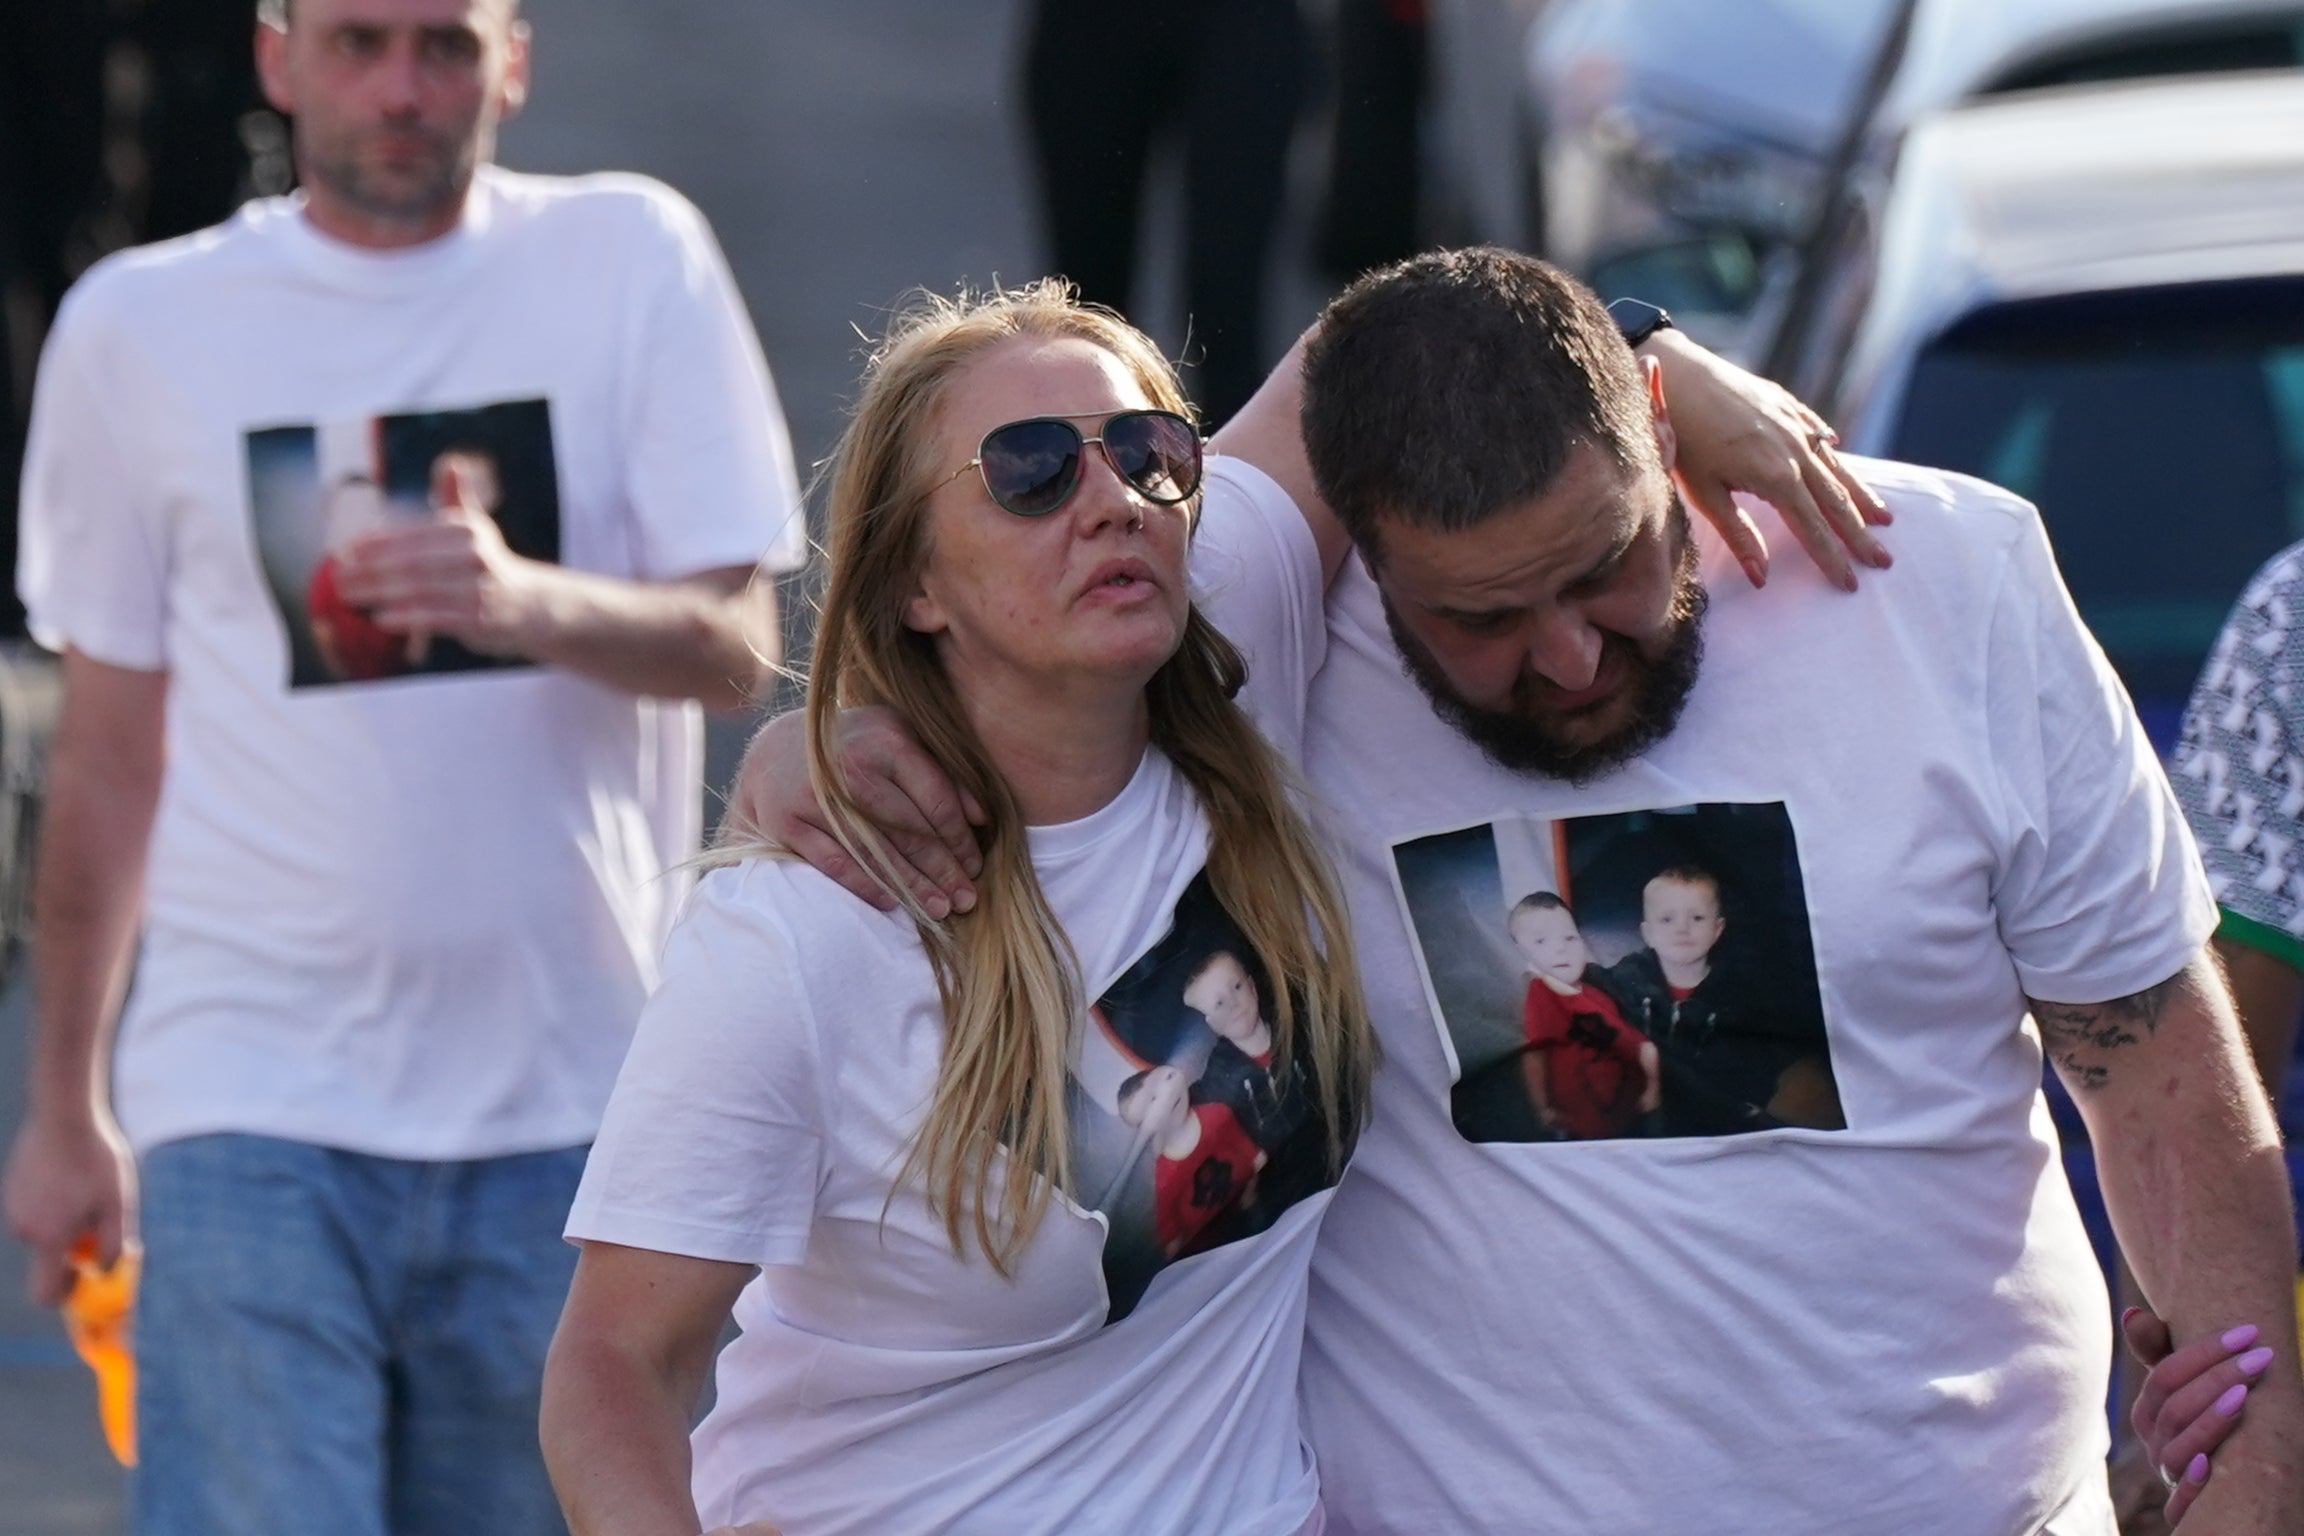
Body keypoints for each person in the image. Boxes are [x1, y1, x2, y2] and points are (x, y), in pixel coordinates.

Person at [749, 249, 2304, 1531]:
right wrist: (823, 751)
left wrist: (2248, 1491)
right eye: (1482, 619)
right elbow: (997, 653)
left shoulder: (1944, 584)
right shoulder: (1269, 643)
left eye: (1607, 566)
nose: (1567, 656)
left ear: (1652, 418)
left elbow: (2165, 1082)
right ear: (1355, 540)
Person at [0, 0, 805, 1531]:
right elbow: (107, 757)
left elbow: (734, 645)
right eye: (358, 42)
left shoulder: (630, 260)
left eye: (444, 45)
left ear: (515, 58)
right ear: (274, 56)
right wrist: (62, 1108)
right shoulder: (140, 326)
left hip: (572, 1108)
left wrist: (523, 602)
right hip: (245, 1100)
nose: (400, 89)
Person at [538, 285, 1378, 1535]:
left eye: (1150, 454)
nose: (1111, 501)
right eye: (1029, 472)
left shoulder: (1239, 631)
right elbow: (613, 1365)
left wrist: (1657, 352)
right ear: (916, 583)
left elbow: (1395, 342)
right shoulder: (811, 922)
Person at [1507, 890, 1658, 1140]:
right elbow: (1534, 1055)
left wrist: (1651, 1086)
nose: (1560, 949)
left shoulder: (1598, 994)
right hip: (1583, 1128)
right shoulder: (1542, 993)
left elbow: (1633, 1043)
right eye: (1541, 942)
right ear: (1522, 953)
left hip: (1628, 1115)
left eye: (1570, 938)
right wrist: (1542, 1107)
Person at [1117, 1062, 1268, 1257]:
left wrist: (1254, 1157)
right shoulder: (1164, 1174)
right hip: (1207, 1235)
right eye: (1151, 1103)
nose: (1164, 1104)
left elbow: (1237, 1140)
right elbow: (1167, 1215)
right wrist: (1174, 1239)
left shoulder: (1216, 1112)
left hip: (1247, 1192)